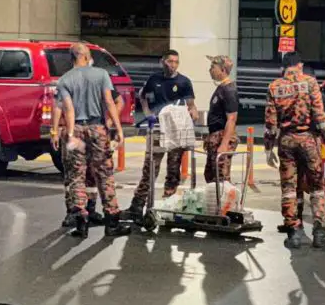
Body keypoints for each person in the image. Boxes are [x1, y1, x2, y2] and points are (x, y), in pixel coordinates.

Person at [51, 43, 128, 239]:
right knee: (104, 174)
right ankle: (112, 223)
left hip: (75, 130)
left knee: (76, 176)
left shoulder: (64, 80)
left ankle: (81, 221)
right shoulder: (101, 75)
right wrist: (118, 129)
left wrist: (59, 132)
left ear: (72, 58)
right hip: (97, 129)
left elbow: (64, 109)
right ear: (88, 56)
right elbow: (110, 102)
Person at [264, 52, 325, 249]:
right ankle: (320, 232)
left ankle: (294, 232)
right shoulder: (310, 83)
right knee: (316, 187)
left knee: (289, 188)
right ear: (300, 65)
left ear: (284, 67)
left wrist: (269, 147)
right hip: (309, 141)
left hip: (286, 142)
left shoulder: (275, 87)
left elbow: (271, 123)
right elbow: (320, 116)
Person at [126, 49, 197, 220]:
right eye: (170, 61)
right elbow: (142, 97)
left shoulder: (184, 81)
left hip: (175, 130)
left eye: (176, 62)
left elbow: (191, 105)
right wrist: (148, 113)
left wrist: (192, 114)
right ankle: (137, 206)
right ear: (162, 62)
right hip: (157, 128)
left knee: (173, 169)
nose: (173, 65)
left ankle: (168, 206)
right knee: (150, 168)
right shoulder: (154, 79)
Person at [288, 64, 325, 234]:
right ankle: (319, 229)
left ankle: (295, 224)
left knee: (295, 186)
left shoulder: (290, 95)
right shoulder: (321, 97)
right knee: (316, 187)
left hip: (291, 146)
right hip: (312, 144)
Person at [204, 55, 239, 185]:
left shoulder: (229, 90)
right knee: (211, 175)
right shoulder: (222, 88)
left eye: (213, 67)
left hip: (221, 136)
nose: (210, 70)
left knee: (221, 178)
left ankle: (224, 204)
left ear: (223, 70)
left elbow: (232, 119)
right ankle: (216, 203)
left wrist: (224, 144)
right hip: (215, 136)